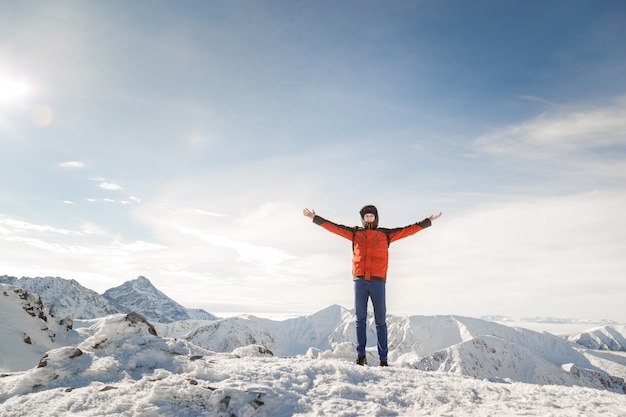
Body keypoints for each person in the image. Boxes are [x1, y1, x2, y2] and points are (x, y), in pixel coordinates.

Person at [303, 205, 442, 366]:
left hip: (378, 282)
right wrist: (315, 218)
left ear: (376, 217)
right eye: (366, 216)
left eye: (371, 216)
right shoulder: (355, 233)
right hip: (360, 281)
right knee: (360, 319)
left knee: (380, 321)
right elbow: (334, 228)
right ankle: (361, 356)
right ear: (363, 218)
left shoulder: (385, 234)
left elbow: (408, 230)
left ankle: (383, 359)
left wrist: (427, 221)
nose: (369, 218)